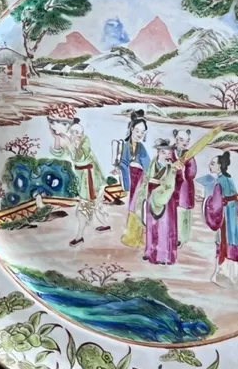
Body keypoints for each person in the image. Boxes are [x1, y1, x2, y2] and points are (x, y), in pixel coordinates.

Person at [48, 111, 110, 246]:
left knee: (85, 208)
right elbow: (58, 152)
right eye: (73, 132)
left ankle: (79, 236)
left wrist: (72, 143)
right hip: (83, 177)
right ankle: (105, 225)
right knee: (95, 205)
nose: (76, 135)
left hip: (91, 178)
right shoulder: (69, 139)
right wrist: (57, 138)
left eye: (78, 132)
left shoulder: (84, 141)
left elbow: (80, 156)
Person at [137, 139, 180, 265]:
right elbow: (146, 178)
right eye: (163, 152)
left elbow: (170, 185)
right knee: (151, 226)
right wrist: (146, 189)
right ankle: (150, 251)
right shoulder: (153, 163)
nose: (166, 155)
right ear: (158, 152)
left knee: (164, 227)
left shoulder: (172, 167)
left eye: (169, 153)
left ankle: (163, 256)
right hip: (151, 195)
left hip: (164, 199)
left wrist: (158, 188)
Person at [204, 152, 238, 284]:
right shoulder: (229, 179)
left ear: (220, 166)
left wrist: (207, 202)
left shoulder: (219, 182)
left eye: (213, 163)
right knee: (234, 240)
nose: (210, 165)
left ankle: (224, 276)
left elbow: (216, 205)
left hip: (225, 214)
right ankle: (234, 276)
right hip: (233, 214)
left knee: (224, 240)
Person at [117, 113, 150, 248]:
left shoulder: (141, 147)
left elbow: (147, 165)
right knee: (133, 205)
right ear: (131, 129)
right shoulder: (125, 145)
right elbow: (123, 163)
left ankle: (138, 238)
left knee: (138, 205)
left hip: (140, 179)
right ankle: (131, 237)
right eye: (137, 131)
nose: (139, 134)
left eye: (142, 132)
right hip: (131, 177)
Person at [172, 128, 197, 245]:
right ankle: (173, 236)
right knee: (172, 211)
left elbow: (192, 172)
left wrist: (184, 170)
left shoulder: (189, 155)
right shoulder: (170, 152)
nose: (184, 143)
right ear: (176, 139)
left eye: (187, 141)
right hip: (172, 187)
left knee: (183, 212)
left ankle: (182, 238)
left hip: (184, 188)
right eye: (181, 140)